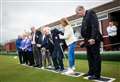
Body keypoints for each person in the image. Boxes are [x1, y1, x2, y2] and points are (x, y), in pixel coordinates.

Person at [76, 6, 102, 79]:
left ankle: (97, 75)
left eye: (78, 13)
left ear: (81, 10)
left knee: (96, 57)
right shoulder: (84, 17)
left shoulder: (90, 12)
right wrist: (84, 42)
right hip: (87, 40)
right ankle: (91, 71)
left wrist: (93, 38)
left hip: (94, 40)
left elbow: (95, 25)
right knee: (90, 57)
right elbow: (86, 31)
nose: (78, 15)